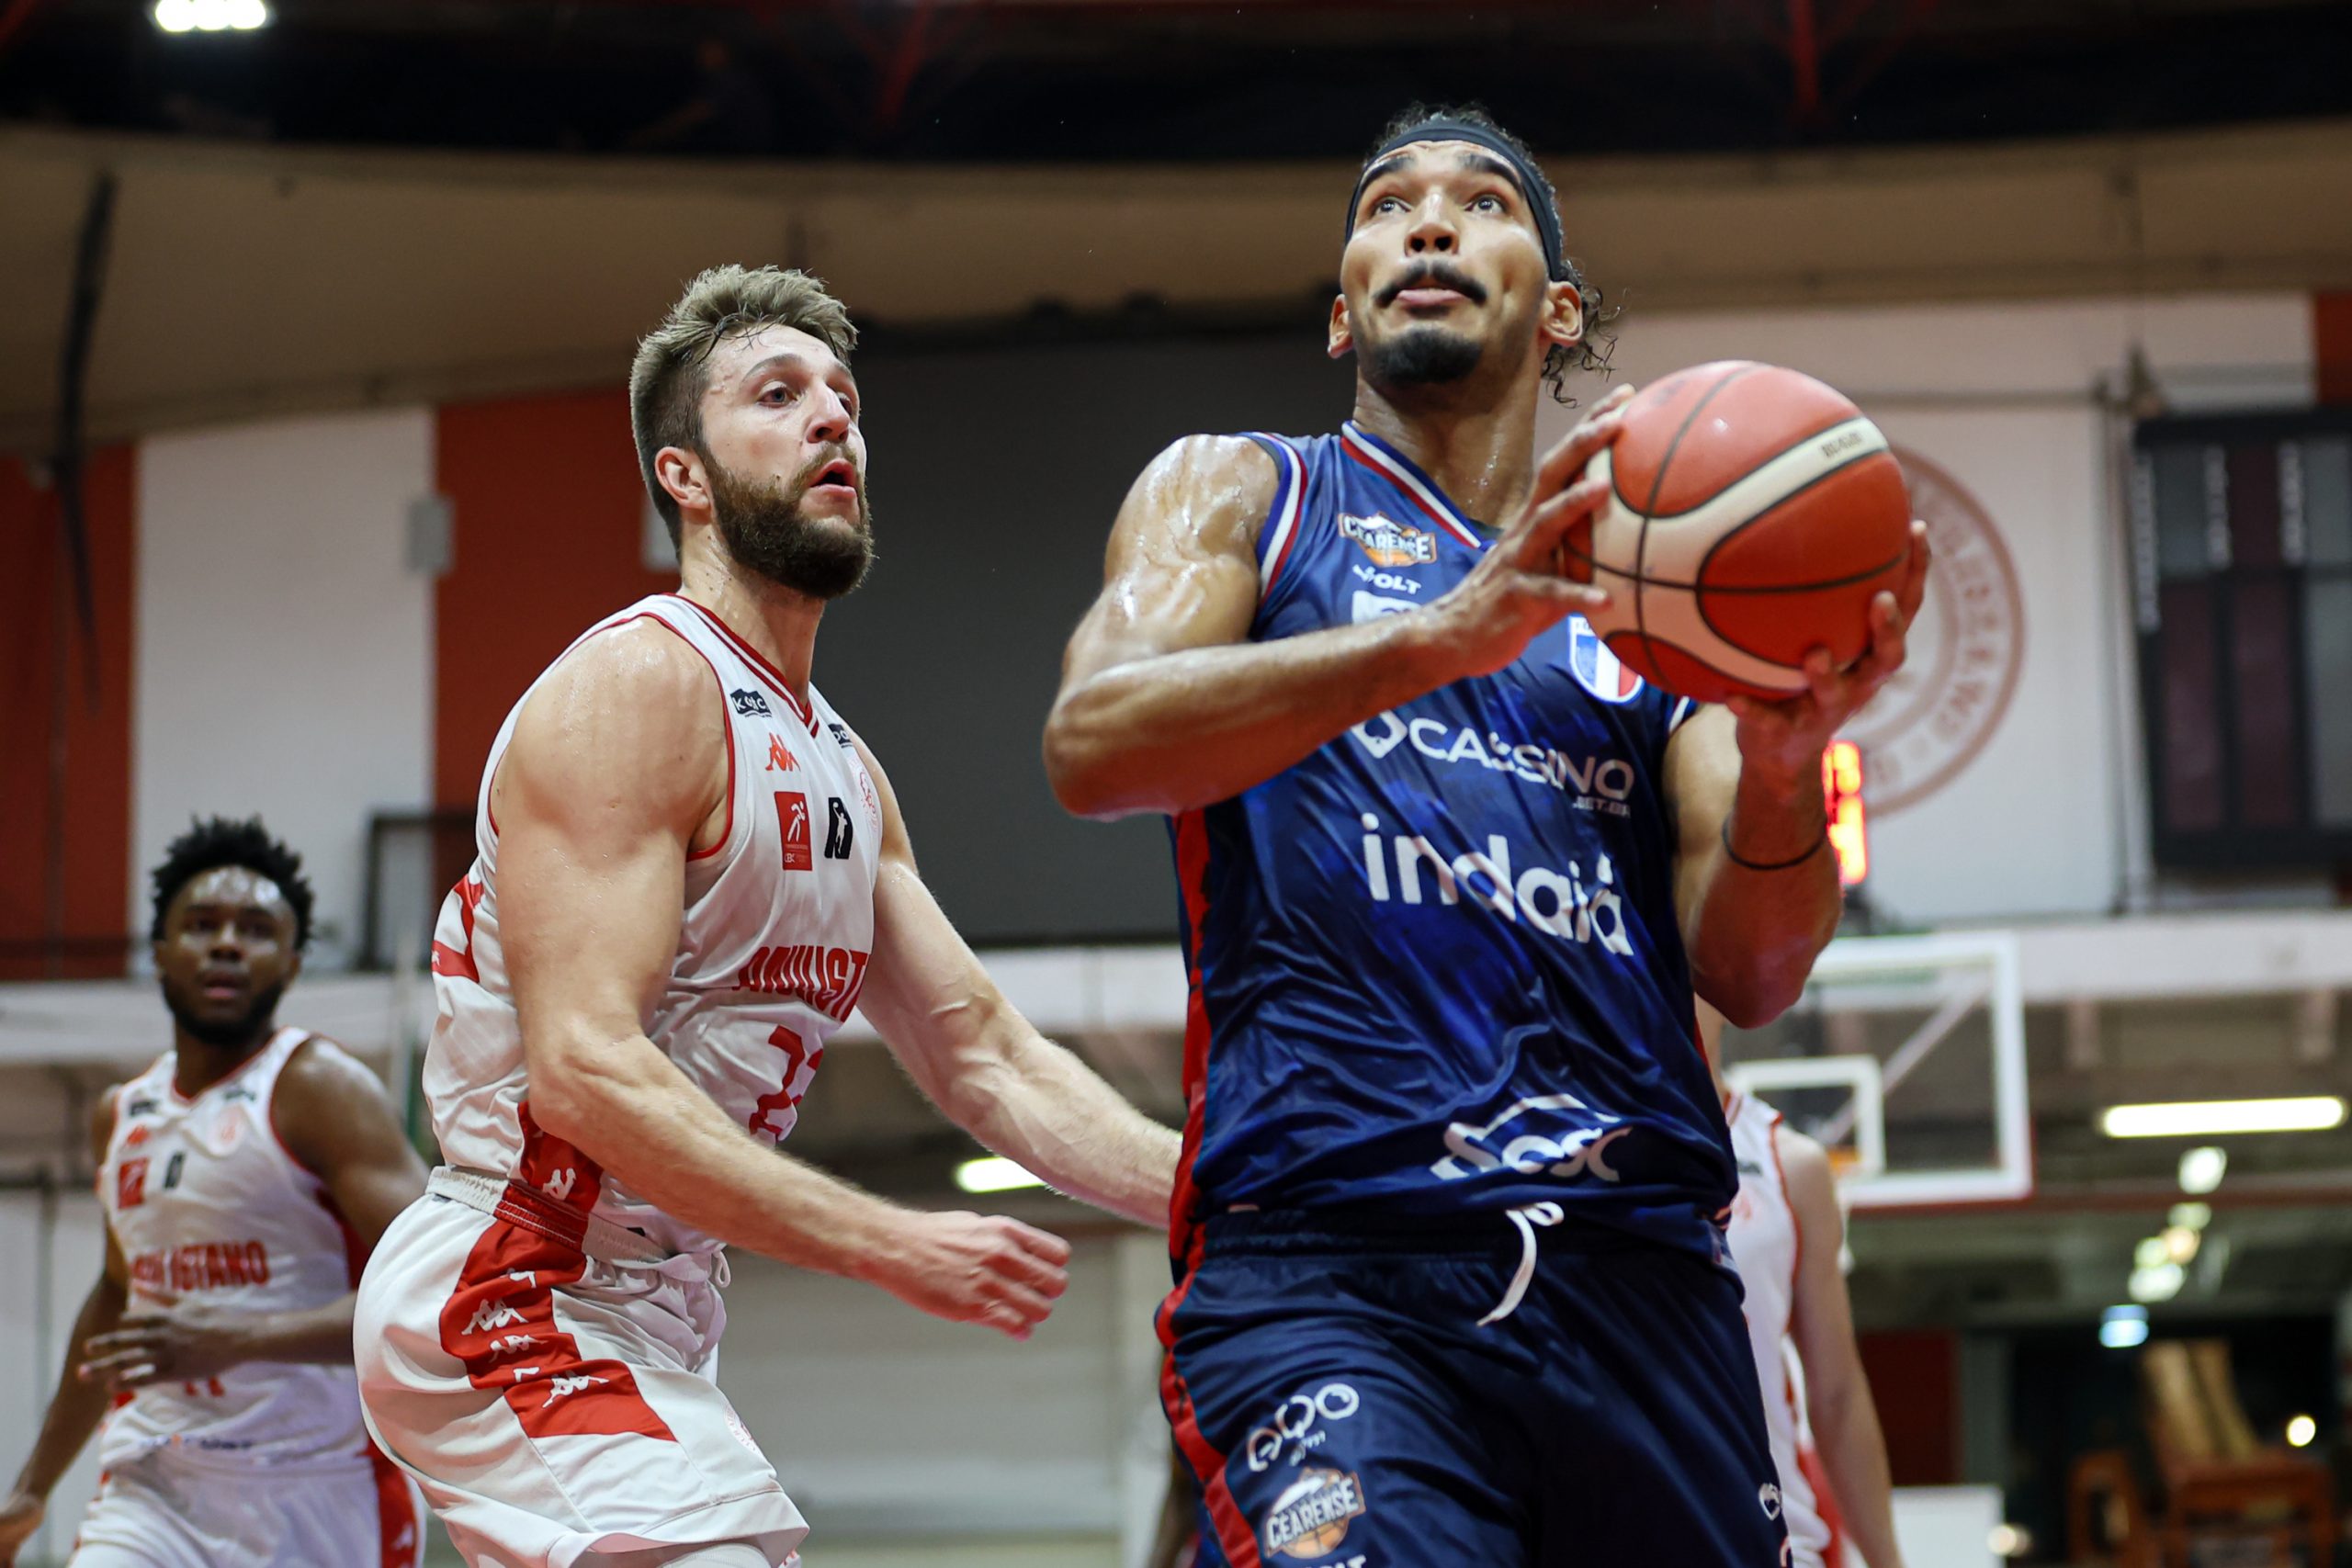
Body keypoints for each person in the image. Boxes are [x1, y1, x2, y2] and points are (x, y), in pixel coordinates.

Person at [1045, 102, 1930, 1564]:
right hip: (1338, 1260)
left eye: (1483, 202)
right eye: (1389, 205)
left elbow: (1756, 970)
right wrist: (1445, 636)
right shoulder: (1247, 490)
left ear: (1559, 308)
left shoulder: (1657, 605)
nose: (1431, 223)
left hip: (1642, 1277)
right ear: (1344, 313)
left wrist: (1786, 759)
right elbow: (1096, 741)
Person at [355, 264, 1181, 1568]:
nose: (833, 418)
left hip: (662, 1307)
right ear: (683, 474)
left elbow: (985, 1057)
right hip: (519, 1278)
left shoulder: (846, 767)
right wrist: (883, 1239)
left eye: (844, 397)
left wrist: (1227, 1199)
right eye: (778, 394)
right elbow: (584, 1066)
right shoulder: (639, 684)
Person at [0, 816, 430, 1568]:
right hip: (156, 1482)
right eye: (202, 924)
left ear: (292, 962)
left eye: (256, 929)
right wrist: (33, 1485)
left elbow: (434, 1287)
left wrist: (235, 1339)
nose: (227, 943)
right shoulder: (122, 1114)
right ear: (159, 951)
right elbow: (118, 1290)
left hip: (317, 1487)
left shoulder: (320, 1089)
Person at [1702, 1002, 1907, 1568]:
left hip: (1773, 1535)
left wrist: (1888, 1561)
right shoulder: (1577, 1157)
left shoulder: (1789, 1164)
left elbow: (1837, 1393)